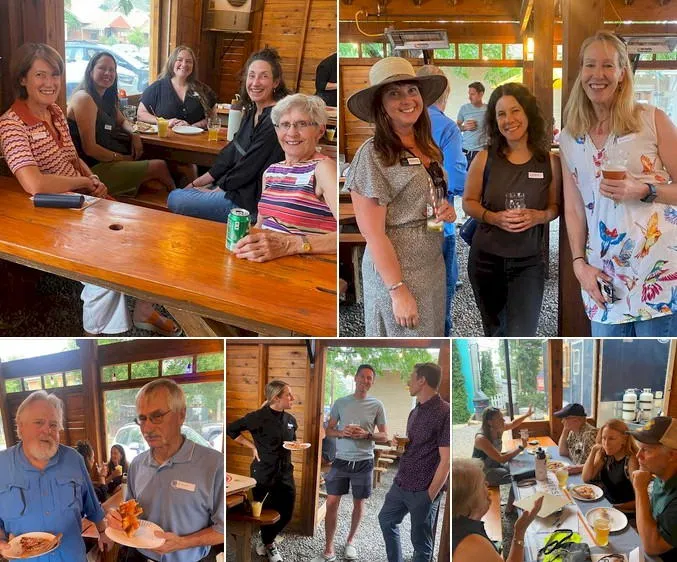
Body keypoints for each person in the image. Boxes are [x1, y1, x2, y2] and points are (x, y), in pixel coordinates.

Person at [0, 43, 180, 337]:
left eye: (55, 75)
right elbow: (33, 184)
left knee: (148, 229)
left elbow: (74, 158)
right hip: (49, 212)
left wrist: (91, 179)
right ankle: (95, 334)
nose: (50, 83)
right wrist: (85, 183)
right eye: (40, 75)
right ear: (22, 79)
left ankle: (144, 308)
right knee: (105, 260)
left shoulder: (55, 111)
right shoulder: (11, 124)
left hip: (81, 198)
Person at [559, 30, 677, 337]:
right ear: (580, 72)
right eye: (590, 65)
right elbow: (573, 208)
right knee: (609, 368)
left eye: (608, 66)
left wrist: (645, 190)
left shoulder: (652, 120)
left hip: (659, 274)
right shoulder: (571, 136)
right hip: (603, 276)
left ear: (622, 73)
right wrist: (578, 264)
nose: (598, 75)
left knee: (656, 373)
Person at [345, 57, 456, 336]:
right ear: (380, 105)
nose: (407, 99)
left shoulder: (426, 146)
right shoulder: (372, 154)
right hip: (397, 274)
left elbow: (428, 196)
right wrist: (397, 291)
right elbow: (374, 234)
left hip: (431, 265)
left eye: (412, 90)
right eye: (394, 93)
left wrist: (444, 211)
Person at [462, 82, 561, 336]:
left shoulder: (549, 161)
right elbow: (468, 203)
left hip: (529, 262)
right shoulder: (485, 158)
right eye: (501, 114)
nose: (509, 120)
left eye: (515, 111)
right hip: (486, 260)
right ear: (494, 121)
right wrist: (494, 218)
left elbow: (554, 207)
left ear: (527, 112)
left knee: (524, 333)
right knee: (494, 332)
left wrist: (539, 216)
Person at [107, 379, 224, 562]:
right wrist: (119, 520)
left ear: (181, 415)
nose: (147, 428)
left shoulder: (214, 464)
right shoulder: (137, 464)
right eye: (142, 419)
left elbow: (223, 529)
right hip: (138, 557)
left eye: (157, 416)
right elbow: (130, 512)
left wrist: (182, 543)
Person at [167, 47, 288, 223]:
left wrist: (217, 190)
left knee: (174, 198)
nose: (255, 82)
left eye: (264, 76)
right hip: (236, 189)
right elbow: (232, 150)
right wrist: (198, 183)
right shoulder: (253, 110)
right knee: (184, 191)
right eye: (251, 75)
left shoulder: (274, 119)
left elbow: (249, 166)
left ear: (276, 82)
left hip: (249, 202)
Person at [0, 391, 110, 561]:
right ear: (20, 426)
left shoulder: (74, 459)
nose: (47, 430)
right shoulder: (2, 465)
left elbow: (92, 506)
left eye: (53, 424)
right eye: (39, 422)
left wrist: (103, 532)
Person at [232, 93, 337, 261]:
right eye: (285, 125)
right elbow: (261, 225)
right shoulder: (272, 171)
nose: (292, 133)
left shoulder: (322, 169)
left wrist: (291, 245)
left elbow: (344, 235)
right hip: (266, 261)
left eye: (301, 124)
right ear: (276, 130)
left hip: (305, 267)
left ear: (320, 130)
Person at [67, 51, 175, 196]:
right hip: (91, 170)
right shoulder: (84, 98)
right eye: (102, 68)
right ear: (91, 71)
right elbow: (90, 149)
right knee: (159, 166)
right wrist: (121, 158)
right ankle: (181, 202)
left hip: (107, 161)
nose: (108, 73)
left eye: (112, 70)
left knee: (159, 182)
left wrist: (134, 133)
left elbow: (123, 120)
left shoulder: (105, 99)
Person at [313, 365, 389, 562]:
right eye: (362, 376)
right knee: (331, 502)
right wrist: (341, 432)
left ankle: (350, 542)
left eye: (370, 378)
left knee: (359, 503)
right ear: (355, 378)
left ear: (372, 382)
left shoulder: (377, 405)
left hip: (364, 461)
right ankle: (328, 548)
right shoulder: (341, 403)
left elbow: (384, 435)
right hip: (341, 460)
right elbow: (328, 430)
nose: (366, 381)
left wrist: (367, 434)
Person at [378, 363, 449, 562]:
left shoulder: (445, 412)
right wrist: (399, 443)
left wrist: (429, 496)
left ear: (422, 380)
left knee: (421, 544)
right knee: (386, 519)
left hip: (423, 489)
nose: (408, 382)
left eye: (411, 377)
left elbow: (446, 460)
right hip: (401, 483)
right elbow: (415, 445)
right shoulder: (414, 411)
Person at [416, 65, 467, 336]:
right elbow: (458, 180)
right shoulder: (447, 127)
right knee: (442, 286)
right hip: (436, 213)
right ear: (444, 93)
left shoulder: (399, 125)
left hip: (402, 220)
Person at [226, 380, 297, 562]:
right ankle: (269, 544)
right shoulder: (256, 417)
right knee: (264, 512)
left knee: (287, 512)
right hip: (263, 473)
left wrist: (295, 446)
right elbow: (231, 429)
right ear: (276, 398)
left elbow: (292, 443)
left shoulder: (291, 421)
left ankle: (267, 540)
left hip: (285, 472)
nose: (293, 398)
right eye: (288, 395)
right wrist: (252, 446)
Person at [452, 458, 544, 561]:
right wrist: (519, 532)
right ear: (469, 500)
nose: (487, 485)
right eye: (482, 483)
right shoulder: (472, 544)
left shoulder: (460, 523)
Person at [628, 416, 677, 560]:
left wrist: (640, 489)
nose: (638, 456)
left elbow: (652, 546)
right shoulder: (660, 475)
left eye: (646, 450)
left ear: (671, 455)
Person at [138, 45, 217, 131]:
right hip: (163, 141)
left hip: (195, 141)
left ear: (193, 66)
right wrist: (165, 122)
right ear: (172, 62)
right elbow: (141, 114)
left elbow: (212, 118)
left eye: (189, 61)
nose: (184, 64)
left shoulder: (203, 89)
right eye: (179, 60)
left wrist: (193, 127)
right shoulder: (157, 88)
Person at [582, 418, 638, 510]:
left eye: (612, 439)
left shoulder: (631, 461)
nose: (606, 443)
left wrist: (611, 507)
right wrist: (593, 451)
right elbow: (586, 478)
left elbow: (640, 501)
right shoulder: (605, 454)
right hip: (606, 503)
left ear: (624, 439)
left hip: (623, 512)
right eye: (604, 438)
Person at [472, 405, 533, 485]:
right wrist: (521, 448)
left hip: (496, 464)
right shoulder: (481, 439)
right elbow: (501, 459)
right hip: (483, 471)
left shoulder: (498, 428)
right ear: (490, 422)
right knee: (512, 476)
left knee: (518, 466)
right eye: (500, 418)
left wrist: (526, 415)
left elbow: (512, 424)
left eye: (502, 417)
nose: (503, 420)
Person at [554, 403, 598, 474]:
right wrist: (565, 430)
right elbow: (562, 452)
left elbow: (599, 462)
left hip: (587, 476)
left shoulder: (590, 434)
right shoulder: (573, 431)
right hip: (577, 471)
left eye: (565, 418)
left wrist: (578, 468)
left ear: (577, 420)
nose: (562, 421)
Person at [456, 81, 488, 167]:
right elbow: (457, 127)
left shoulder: (489, 110)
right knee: (466, 178)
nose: (469, 97)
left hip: (482, 152)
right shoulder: (464, 108)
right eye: (469, 94)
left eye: (472, 94)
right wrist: (465, 127)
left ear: (481, 94)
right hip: (466, 151)